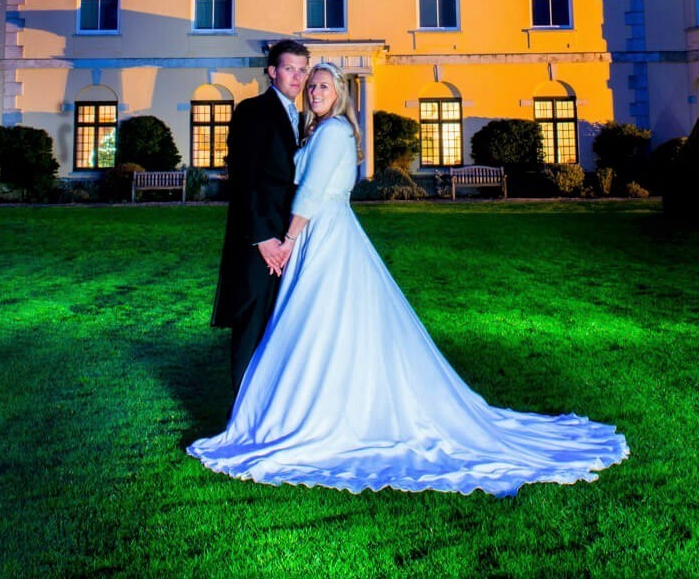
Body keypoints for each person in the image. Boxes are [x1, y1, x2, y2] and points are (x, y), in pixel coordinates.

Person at [189, 63, 629, 496]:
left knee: (322, 319)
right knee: (324, 323)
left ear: (339, 93)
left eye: (323, 85)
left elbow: (311, 191)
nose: (315, 90)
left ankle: (325, 410)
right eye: (312, 85)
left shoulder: (334, 132)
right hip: (318, 234)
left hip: (321, 233)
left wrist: (286, 239)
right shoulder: (320, 131)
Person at [209, 39, 311, 394]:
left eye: (302, 70)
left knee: (278, 322)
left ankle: (268, 404)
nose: (297, 77)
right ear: (272, 72)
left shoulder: (299, 116)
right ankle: (240, 414)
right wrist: (263, 237)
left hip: (286, 238)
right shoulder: (253, 111)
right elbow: (244, 177)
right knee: (252, 321)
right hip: (260, 239)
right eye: (289, 69)